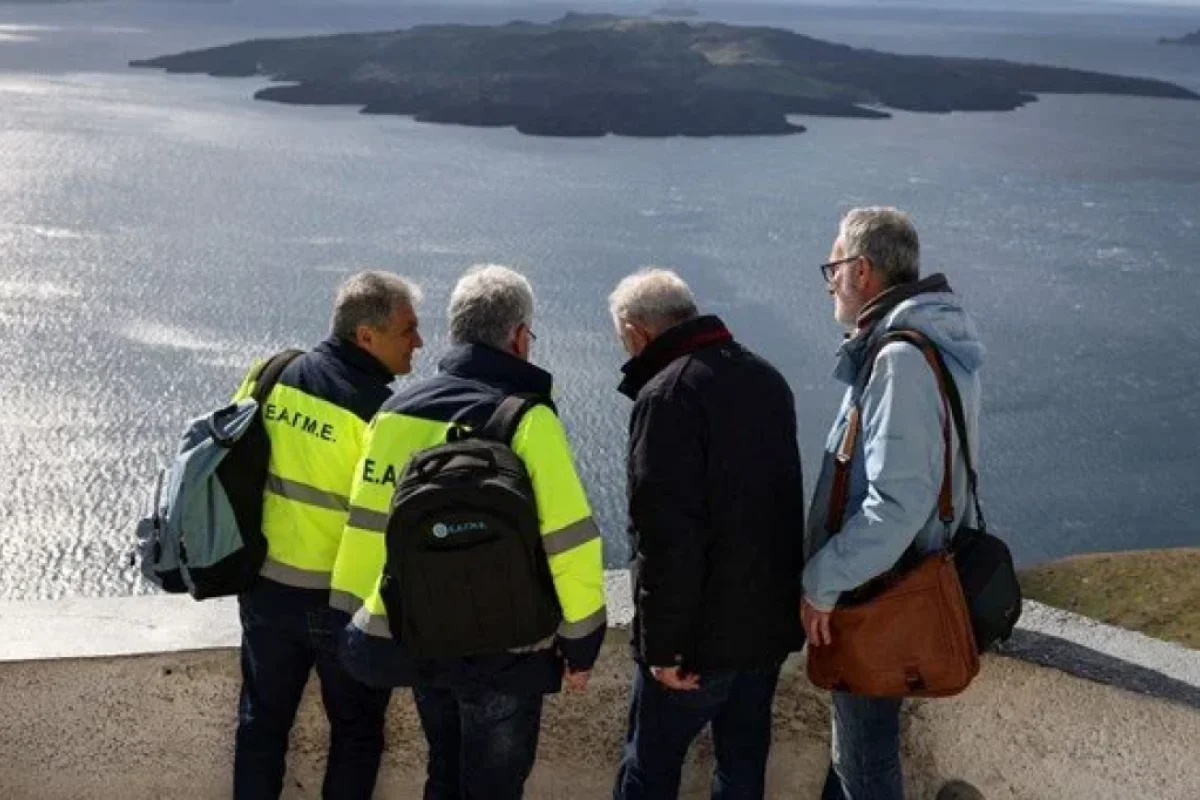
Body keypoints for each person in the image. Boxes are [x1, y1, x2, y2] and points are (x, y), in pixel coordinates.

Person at [332, 264, 607, 800]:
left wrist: (355, 622)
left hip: (420, 638)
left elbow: (368, 527)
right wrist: (582, 642)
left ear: (457, 331)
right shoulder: (526, 418)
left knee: (444, 773)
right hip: (507, 649)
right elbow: (568, 538)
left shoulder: (394, 413)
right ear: (519, 337)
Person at [801, 207, 984, 800]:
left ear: (862, 271)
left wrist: (822, 581)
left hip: (880, 593)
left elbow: (896, 506)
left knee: (864, 763)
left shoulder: (900, 359)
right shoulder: (934, 342)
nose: (831, 285)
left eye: (833, 270)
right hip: (901, 580)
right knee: (853, 755)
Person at [609, 268, 806, 800]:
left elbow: (664, 534)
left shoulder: (666, 396)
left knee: (648, 773)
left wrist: (664, 648)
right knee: (742, 771)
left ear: (637, 332)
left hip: (697, 643)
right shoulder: (767, 379)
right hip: (764, 633)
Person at [232, 270, 424, 799]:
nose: (418, 342)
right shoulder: (382, 416)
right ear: (366, 336)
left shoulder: (270, 374)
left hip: (263, 588)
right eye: (407, 330)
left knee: (260, 726)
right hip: (339, 604)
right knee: (357, 734)